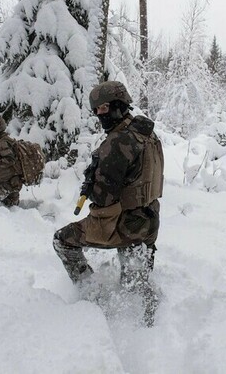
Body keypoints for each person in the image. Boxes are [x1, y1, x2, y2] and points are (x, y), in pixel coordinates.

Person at [53, 81, 164, 326]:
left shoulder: (117, 142)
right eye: (96, 110)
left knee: (62, 240)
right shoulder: (146, 133)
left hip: (125, 224)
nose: (99, 114)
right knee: (135, 279)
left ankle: (92, 296)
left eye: (104, 108)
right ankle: (151, 319)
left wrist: (93, 183)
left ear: (119, 105)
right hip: (149, 221)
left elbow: (104, 198)